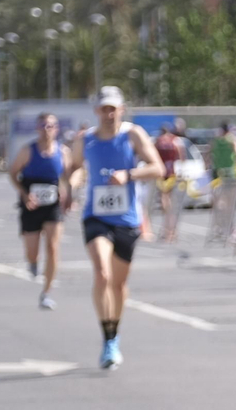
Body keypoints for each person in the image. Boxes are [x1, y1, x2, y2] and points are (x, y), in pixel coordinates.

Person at [65, 87, 165, 370]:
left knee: (119, 284)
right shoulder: (86, 140)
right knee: (102, 272)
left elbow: (157, 168)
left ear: (121, 110)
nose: (108, 114)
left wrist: (129, 174)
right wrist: (70, 186)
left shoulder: (132, 136)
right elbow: (72, 167)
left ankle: (114, 335)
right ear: (96, 112)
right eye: (103, 109)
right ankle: (106, 335)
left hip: (127, 219)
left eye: (113, 109)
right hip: (96, 216)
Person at [8, 113, 68, 310]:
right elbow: (13, 173)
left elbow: (73, 175)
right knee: (32, 251)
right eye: (43, 125)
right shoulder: (28, 151)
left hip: (53, 205)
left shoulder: (63, 152)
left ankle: (47, 292)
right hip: (31, 204)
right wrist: (25, 195)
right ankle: (33, 263)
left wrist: (67, 190)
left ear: (57, 129)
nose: (47, 129)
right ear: (37, 128)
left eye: (51, 125)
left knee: (52, 247)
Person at [153, 124, 185, 243]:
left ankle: (168, 229)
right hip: (171, 173)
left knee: (164, 199)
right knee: (170, 201)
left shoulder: (158, 141)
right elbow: (181, 156)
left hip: (162, 174)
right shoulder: (175, 141)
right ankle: (171, 230)